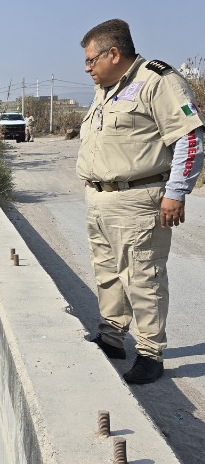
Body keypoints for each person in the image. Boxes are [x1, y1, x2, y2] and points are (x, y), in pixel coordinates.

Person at [77, 19, 204, 384]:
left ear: (113, 53)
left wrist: (176, 192)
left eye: (91, 61)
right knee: (108, 272)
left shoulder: (157, 82)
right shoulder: (108, 88)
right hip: (101, 199)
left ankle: (150, 353)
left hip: (139, 200)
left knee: (143, 277)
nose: (87, 69)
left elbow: (190, 139)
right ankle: (113, 336)